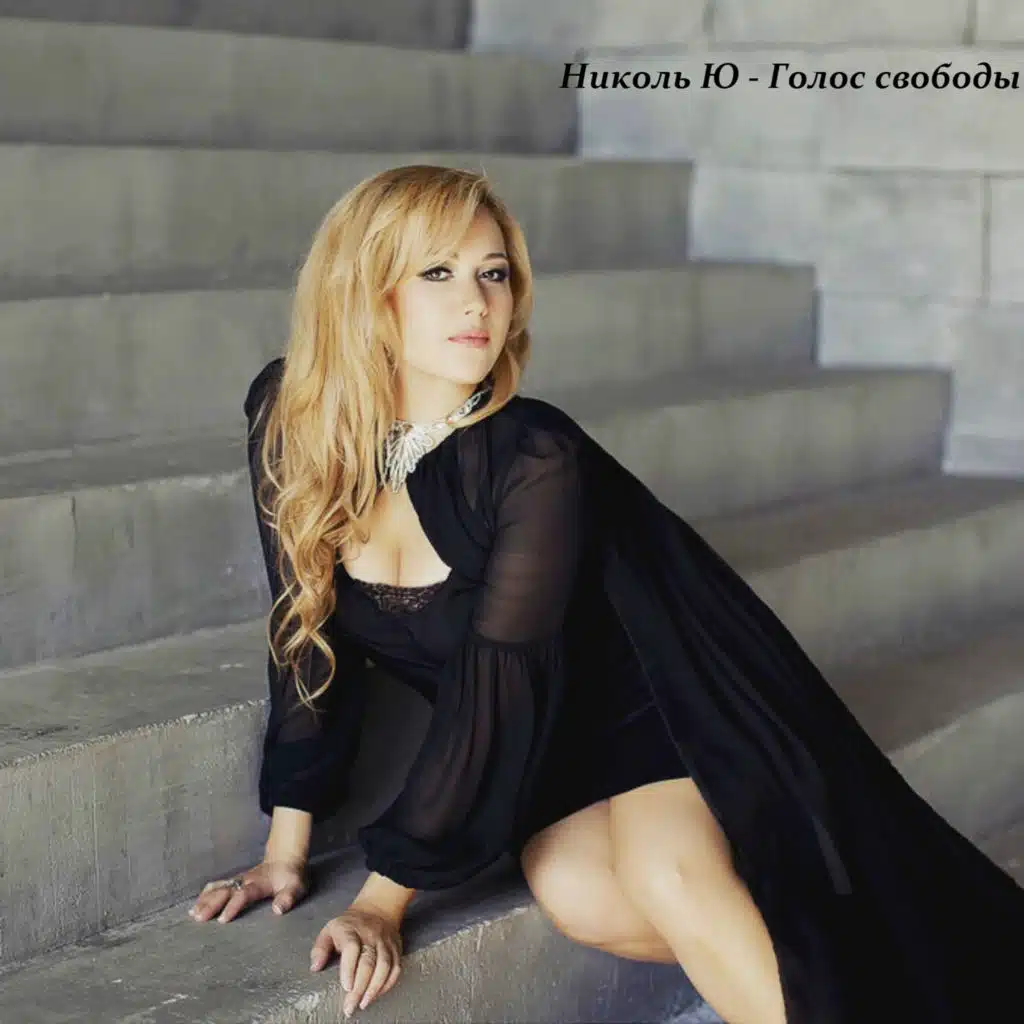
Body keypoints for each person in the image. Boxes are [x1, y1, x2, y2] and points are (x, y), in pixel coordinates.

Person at [189, 164, 1024, 1023]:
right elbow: (304, 631)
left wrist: (382, 898)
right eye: (437, 271)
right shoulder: (290, 414)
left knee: (671, 874)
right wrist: (286, 848)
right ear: (364, 290)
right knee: (585, 897)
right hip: (553, 749)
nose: (477, 301)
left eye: (493, 272)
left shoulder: (531, 455)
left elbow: (496, 685)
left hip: (663, 702)